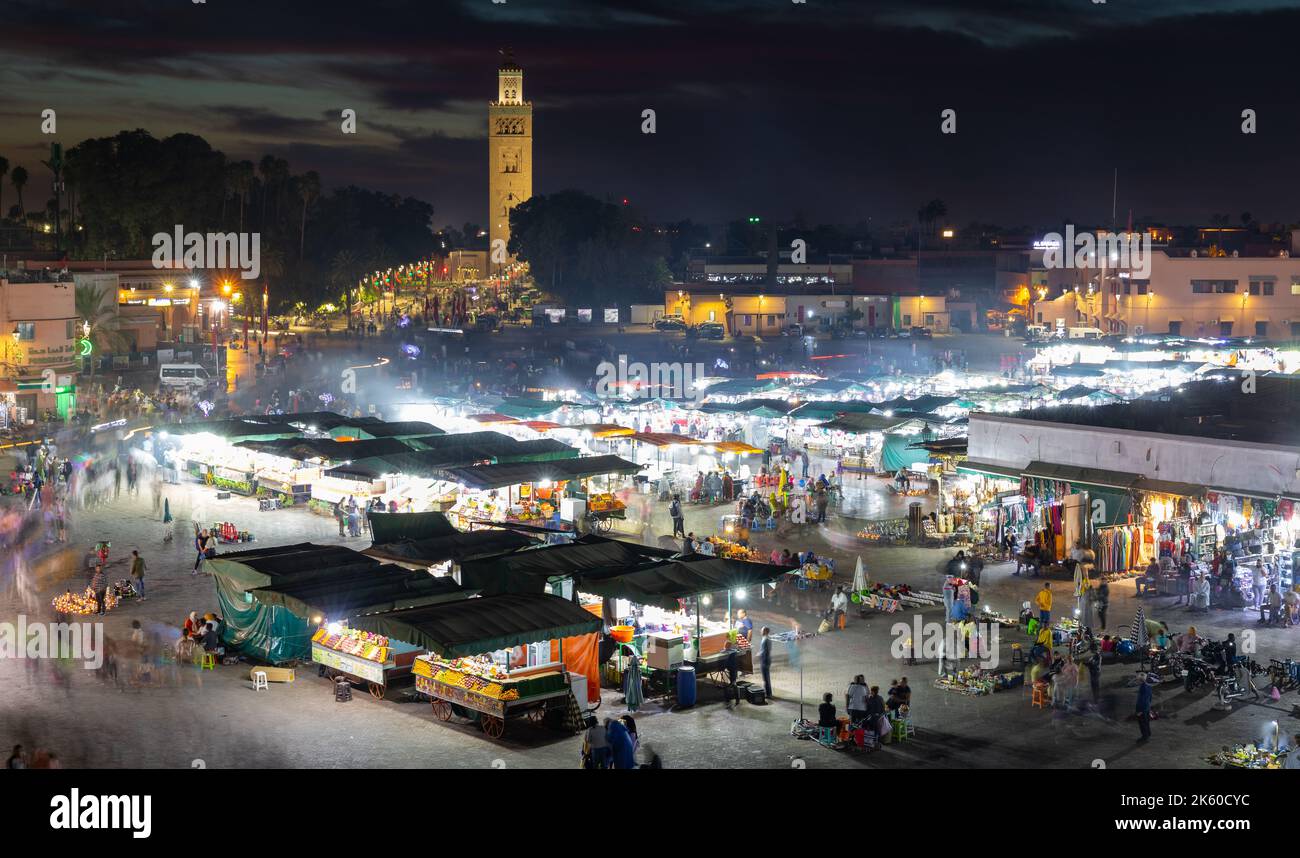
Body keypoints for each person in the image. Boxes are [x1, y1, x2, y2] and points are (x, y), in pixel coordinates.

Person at [1136, 672, 1155, 741]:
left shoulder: (1142, 688)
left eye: (1137, 679)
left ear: (1140, 680)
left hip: (1142, 708)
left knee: (1142, 723)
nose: (1137, 681)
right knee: (1147, 722)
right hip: (1147, 707)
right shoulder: (1149, 686)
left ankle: (1145, 737)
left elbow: (1141, 700)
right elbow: (1150, 698)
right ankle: (1148, 733)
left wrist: (1139, 710)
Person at [758, 626, 773, 699]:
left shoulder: (765, 640)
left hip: (765, 660)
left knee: (766, 678)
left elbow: (764, 651)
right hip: (766, 659)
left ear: (766, 631)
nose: (761, 632)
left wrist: (758, 655)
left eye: (762, 630)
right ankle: (768, 692)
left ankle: (768, 694)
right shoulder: (767, 639)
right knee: (766, 678)